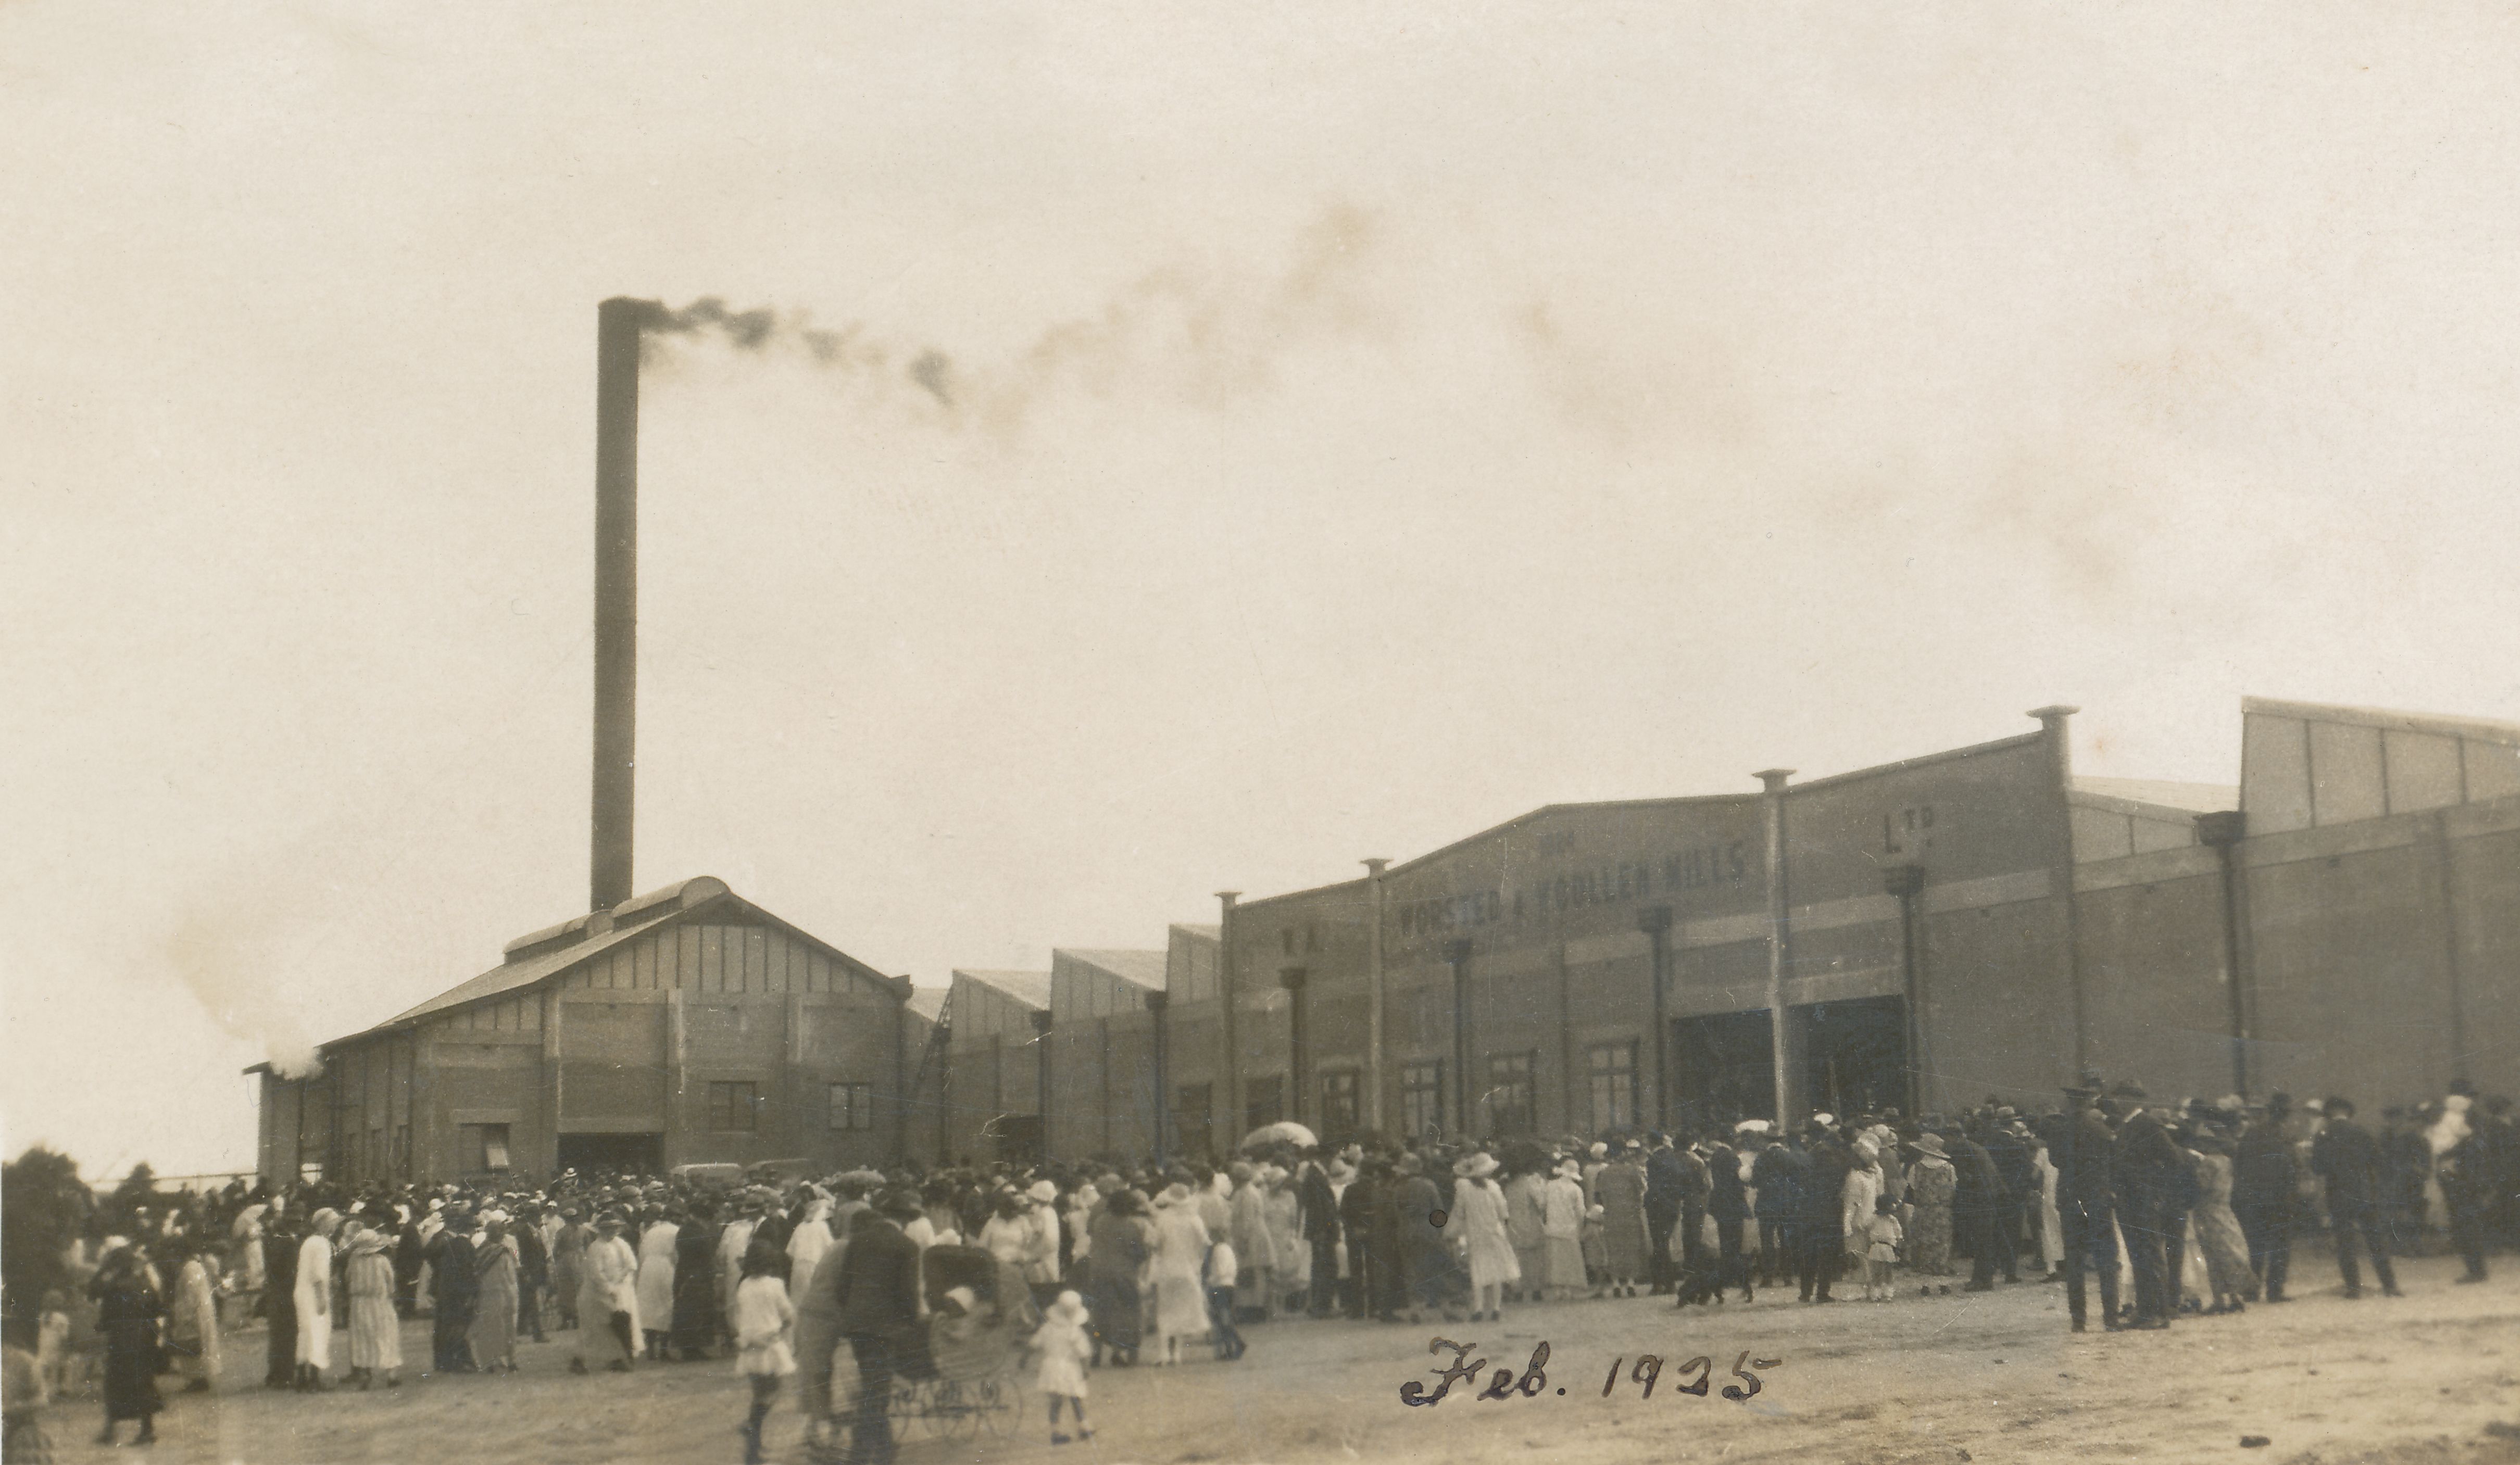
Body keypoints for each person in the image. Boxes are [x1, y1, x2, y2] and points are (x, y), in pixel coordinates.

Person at [826, 1189, 924, 1465]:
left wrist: (853, 1314)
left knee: (873, 1386)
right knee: (876, 1393)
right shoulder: (906, 1246)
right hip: (884, 1328)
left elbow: (843, 1287)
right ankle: (859, 1457)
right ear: (905, 1219)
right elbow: (908, 1295)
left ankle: (886, 1451)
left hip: (857, 1326)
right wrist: (913, 1324)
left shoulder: (858, 1240)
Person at [2311, 1097, 2401, 1300]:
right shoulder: (2362, 1132)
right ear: (2349, 1112)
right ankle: (2390, 1285)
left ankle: (2354, 1288)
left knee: (2345, 1242)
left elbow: (2317, 1168)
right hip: (2364, 1192)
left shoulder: (2323, 1135)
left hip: (2338, 1194)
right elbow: (2378, 1160)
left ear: (2328, 1114)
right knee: (2376, 1240)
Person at [2111, 1084, 2184, 1328]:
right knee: (2138, 1256)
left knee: (2150, 1255)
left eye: (2123, 1098)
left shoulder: (2147, 1124)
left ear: (2135, 1100)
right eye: (2117, 1098)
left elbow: (2172, 1159)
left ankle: (2159, 1312)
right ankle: (2145, 1312)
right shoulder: (2125, 1126)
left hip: (2144, 1201)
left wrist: (2155, 1190)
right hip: (2128, 1202)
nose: (2119, 1102)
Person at [89, 1244, 161, 1448]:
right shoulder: (145, 1283)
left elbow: (95, 1297)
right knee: (144, 1383)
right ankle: (147, 1430)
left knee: (114, 1384)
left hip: (121, 1341)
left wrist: (103, 1270)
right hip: (145, 1339)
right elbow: (157, 1308)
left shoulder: (114, 1287)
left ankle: (111, 1430)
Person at [732, 1240, 796, 1465]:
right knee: (774, 1391)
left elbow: (738, 1315)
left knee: (758, 1393)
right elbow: (788, 1315)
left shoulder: (744, 1286)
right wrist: (783, 1326)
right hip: (769, 1345)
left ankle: (753, 1451)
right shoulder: (775, 1285)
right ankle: (752, 1424)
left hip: (749, 1345)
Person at [2186, 1128, 2258, 1313]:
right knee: (2229, 1251)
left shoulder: (2208, 1164)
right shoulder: (2227, 1162)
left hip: (2208, 1211)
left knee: (2213, 1255)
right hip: (2225, 1210)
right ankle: (2235, 1295)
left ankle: (2220, 1299)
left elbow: (2200, 1187)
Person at [1446, 1152, 1520, 1323]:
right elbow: (1503, 1212)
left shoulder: (1464, 1189)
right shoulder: (1494, 1187)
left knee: (1478, 1270)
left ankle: (1478, 1309)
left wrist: (1454, 1231)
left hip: (1476, 1234)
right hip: (1495, 1232)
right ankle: (1496, 1308)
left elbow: (1459, 1212)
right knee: (1497, 1270)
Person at [1085, 1186, 1150, 1366]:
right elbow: (1140, 1253)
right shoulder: (1131, 1226)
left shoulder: (1100, 1222)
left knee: (1100, 1312)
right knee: (1130, 1312)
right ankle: (1124, 1352)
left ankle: (1096, 1352)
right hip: (1124, 1274)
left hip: (1098, 1271)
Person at [572, 1211, 641, 1374]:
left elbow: (632, 1264)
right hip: (595, 1294)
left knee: (615, 1326)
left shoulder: (621, 1244)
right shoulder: (596, 1248)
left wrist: (621, 1280)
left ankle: (618, 1359)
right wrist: (609, 1290)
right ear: (600, 1230)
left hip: (619, 1290)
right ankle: (578, 1361)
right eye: (608, 1229)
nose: (612, 1232)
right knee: (593, 1329)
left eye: (615, 1228)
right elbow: (596, 1274)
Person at [343, 1219, 403, 1388]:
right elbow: (391, 1283)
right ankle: (391, 1374)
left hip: (359, 1304)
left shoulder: (354, 1261)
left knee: (363, 1338)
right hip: (380, 1303)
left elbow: (348, 1279)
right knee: (386, 1335)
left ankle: (365, 1375)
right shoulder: (382, 1261)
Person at [1030, 1290, 1095, 1444]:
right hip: (1070, 1368)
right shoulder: (1074, 1330)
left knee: (1056, 1402)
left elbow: (1034, 1344)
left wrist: (1024, 1359)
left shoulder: (1047, 1328)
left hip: (1051, 1367)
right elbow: (1084, 1352)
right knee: (1076, 1398)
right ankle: (1083, 1426)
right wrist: (1086, 1369)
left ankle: (1055, 1431)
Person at [426, 1209, 480, 1373]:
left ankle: (446, 1361)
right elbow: (470, 1273)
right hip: (459, 1292)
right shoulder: (465, 1245)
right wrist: (472, 1293)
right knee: (458, 1327)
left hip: (446, 1289)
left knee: (447, 1326)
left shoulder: (448, 1242)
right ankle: (457, 1361)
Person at [1595, 1144, 1650, 1298]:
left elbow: (1601, 1195)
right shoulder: (1632, 1171)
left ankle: (1616, 1285)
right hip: (1630, 1213)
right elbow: (1643, 1190)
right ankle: (1631, 1283)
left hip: (1612, 1214)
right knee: (1631, 1248)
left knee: (1614, 1249)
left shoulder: (1604, 1173)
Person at [294, 1208, 341, 1389]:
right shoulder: (321, 1244)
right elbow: (318, 1275)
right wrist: (322, 1298)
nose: (336, 1227)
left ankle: (301, 1378)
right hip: (314, 1294)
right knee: (318, 1333)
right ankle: (314, 1380)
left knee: (305, 1333)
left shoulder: (309, 1242)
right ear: (324, 1223)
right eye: (333, 1222)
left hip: (302, 1292)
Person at [168, 1239, 222, 1394]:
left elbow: (191, 1294)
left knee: (193, 1343)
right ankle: (199, 1378)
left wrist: (184, 1314)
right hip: (200, 1308)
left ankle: (199, 1379)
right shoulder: (194, 1266)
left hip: (194, 1310)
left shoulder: (189, 1269)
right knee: (200, 1342)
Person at [1905, 1133, 1958, 1291]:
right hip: (1943, 1212)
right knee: (1943, 1246)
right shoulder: (1949, 1168)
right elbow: (1953, 1189)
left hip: (1923, 1211)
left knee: (1924, 1246)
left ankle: (1925, 1284)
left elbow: (1912, 1188)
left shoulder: (1916, 1168)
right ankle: (1943, 1283)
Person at [471, 1213, 522, 1373]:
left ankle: (491, 1361)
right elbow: (511, 1277)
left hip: (485, 1294)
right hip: (503, 1293)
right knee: (508, 1327)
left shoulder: (480, 1252)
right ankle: (511, 1360)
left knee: (488, 1328)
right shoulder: (504, 1252)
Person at [1706, 1134, 1753, 1304]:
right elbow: (1741, 1178)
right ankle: (1742, 1284)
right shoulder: (1731, 1156)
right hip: (1733, 1206)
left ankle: (1721, 1287)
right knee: (1734, 1249)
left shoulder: (1716, 1156)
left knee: (1728, 1248)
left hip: (1721, 1206)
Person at [673, 1201, 722, 1361]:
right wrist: (712, 1274)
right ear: (703, 1219)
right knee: (697, 1312)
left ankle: (688, 1348)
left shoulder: (684, 1230)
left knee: (686, 1311)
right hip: (698, 1276)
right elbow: (707, 1258)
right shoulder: (700, 1233)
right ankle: (693, 1349)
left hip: (684, 1274)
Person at [1542, 1158, 1590, 1301]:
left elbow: (1544, 1206)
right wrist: (1581, 1228)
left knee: (1556, 1260)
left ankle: (1558, 1289)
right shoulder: (1576, 1190)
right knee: (1569, 1259)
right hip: (1570, 1228)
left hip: (1553, 1227)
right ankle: (1568, 1289)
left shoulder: (1550, 1186)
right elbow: (1580, 1212)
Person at [635, 1209, 680, 1361]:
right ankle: (663, 1349)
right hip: (665, 1267)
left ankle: (650, 1349)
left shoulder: (651, 1232)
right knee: (666, 1306)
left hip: (648, 1267)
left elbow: (641, 1253)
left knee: (649, 1307)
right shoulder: (676, 1230)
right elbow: (676, 1254)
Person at [1860, 1195, 1904, 1303]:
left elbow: (1899, 1235)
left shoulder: (1893, 1220)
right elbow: (1865, 1227)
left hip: (1889, 1247)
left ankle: (1888, 1293)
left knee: (1889, 1271)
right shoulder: (1874, 1218)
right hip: (1877, 1246)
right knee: (1877, 1271)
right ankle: (1876, 1294)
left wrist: (1898, 1249)